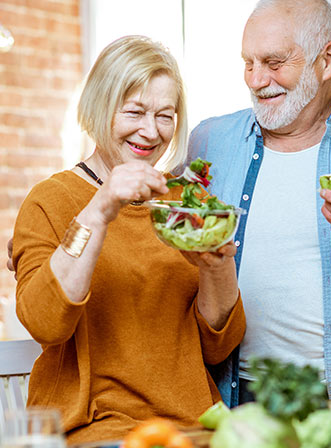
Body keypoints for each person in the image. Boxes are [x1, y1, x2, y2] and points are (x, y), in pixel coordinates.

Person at [10, 35, 245, 444]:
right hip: (97, 431)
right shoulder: (52, 200)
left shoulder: (188, 203)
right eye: (134, 111)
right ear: (100, 107)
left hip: (193, 429)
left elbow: (216, 346)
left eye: (165, 116)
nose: (150, 132)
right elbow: (45, 322)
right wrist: (100, 210)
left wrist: (218, 266)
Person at [187, 0, 331, 405]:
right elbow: (150, 210)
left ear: (327, 61)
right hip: (234, 397)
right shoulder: (209, 141)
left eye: (274, 62)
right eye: (248, 63)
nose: (257, 80)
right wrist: (66, 228)